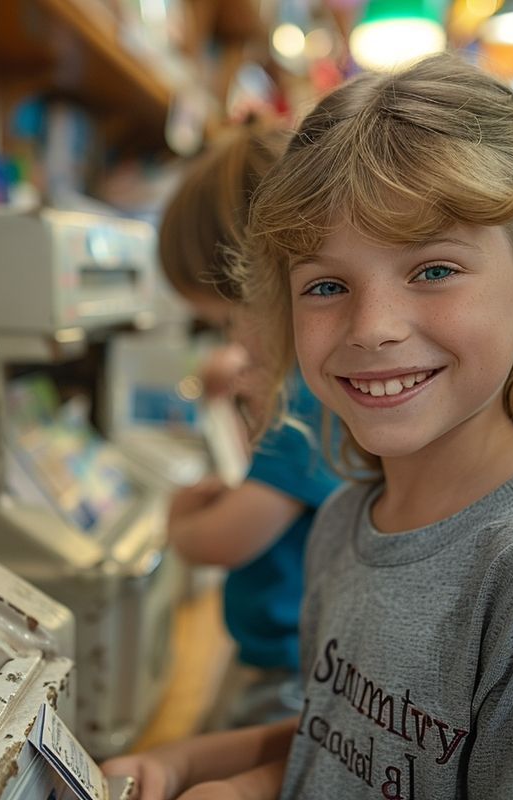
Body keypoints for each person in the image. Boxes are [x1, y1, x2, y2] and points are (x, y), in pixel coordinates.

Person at [102, 54, 513, 799]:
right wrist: (195, 770)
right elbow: (356, 744)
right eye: (327, 285)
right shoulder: (345, 523)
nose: (374, 328)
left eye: (433, 271)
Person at [157, 123, 344, 727]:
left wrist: (183, 528)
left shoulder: (310, 397)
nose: (234, 339)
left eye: (232, 317)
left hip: (294, 666)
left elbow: (234, 536)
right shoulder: (301, 386)